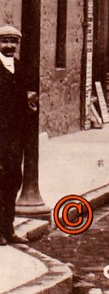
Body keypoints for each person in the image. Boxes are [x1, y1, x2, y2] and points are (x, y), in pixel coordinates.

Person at [0, 25, 35, 245]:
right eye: (5, 41)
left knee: (13, 182)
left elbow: (28, 102)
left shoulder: (21, 69)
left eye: (14, 41)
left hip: (15, 138)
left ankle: (8, 229)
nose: (9, 46)